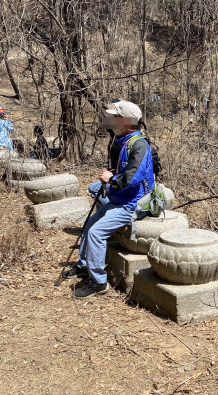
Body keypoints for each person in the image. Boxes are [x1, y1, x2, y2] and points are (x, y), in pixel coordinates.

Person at [64, 100, 154, 298]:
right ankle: (84, 266)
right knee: (90, 225)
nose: (111, 119)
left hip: (132, 205)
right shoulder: (124, 139)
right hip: (119, 200)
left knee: (96, 232)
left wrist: (111, 178)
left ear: (127, 121)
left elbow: (132, 178)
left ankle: (98, 282)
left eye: (116, 116)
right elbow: (123, 169)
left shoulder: (140, 145)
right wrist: (112, 174)